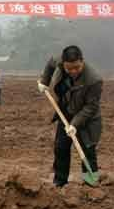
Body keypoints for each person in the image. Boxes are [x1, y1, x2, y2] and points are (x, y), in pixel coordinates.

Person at [38, 45, 102, 187]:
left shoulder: (94, 80)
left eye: (77, 68)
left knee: (88, 150)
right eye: (69, 69)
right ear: (64, 63)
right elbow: (50, 64)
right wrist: (44, 82)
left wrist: (75, 124)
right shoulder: (58, 60)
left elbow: (91, 107)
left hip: (88, 119)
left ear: (82, 61)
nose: (73, 71)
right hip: (66, 112)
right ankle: (60, 182)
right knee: (61, 147)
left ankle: (91, 183)